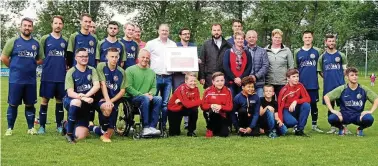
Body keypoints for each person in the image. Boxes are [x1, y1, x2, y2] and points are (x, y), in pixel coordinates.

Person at [2, 17, 44, 136]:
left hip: (30, 80)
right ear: (20, 27)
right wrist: (14, 67)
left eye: (29, 26)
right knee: (13, 104)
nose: (27, 28)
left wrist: (31, 64)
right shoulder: (13, 41)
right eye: (25, 25)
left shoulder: (36, 43)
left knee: (30, 104)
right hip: (16, 80)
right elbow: (4, 58)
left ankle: (31, 128)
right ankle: (10, 128)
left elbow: (41, 59)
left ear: (32, 28)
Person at [62, 48, 100, 143]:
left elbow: (97, 86)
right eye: (81, 56)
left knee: (81, 135)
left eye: (86, 56)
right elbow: (70, 92)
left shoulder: (92, 70)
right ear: (76, 58)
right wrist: (83, 97)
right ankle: (69, 134)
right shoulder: (71, 72)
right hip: (71, 101)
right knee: (76, 102)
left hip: (85, 104)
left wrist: (86, 96)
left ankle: (66, 124)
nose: (84, 58)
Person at [325, 67, 378, 136]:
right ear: (347, 77)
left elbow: (376, 99)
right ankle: (342, 128)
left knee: (369, 119)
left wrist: (370, 111)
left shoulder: (363, 89)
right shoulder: (342, 88)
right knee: (332, 118)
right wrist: (332, 110)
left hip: (358, 115)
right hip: (344, 115)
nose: (355, 77)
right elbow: (326, 97)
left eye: (356, 75)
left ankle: (360, 129)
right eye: (352, 75)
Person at [37, 15, 68, 134]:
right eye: (56, 23)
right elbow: (40, 56)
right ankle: (42, 126)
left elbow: (67, 59)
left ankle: (59, 125)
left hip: (61, 76)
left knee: (59, 101)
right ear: (52, 25)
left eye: (60, 23)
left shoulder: (65, 40)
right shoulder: (45, 39)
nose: (58, 25)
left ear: (62, 25)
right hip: (47, 76)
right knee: (44, 101)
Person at [144, 23, 177, 130]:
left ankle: (163, 125)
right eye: (162, 30)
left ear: (169, 32)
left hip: (168, 77)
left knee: (165, 104)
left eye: (166, 30)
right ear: (158, 31)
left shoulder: (173, 44)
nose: (164, 32)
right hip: (155, 77)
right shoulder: (151, 43)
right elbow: (144, 57)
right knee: (152, 101)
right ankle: (149, 125)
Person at [90, 47, 126, 142]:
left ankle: (94, 128)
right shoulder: (101, 66)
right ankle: (103, 131)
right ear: (107, 57)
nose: (114, 59)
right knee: (107, 108)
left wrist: (111, 101)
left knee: (110, 131)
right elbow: (103, 85)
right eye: (112, 57)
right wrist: (107, 100)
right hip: (102, 98)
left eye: (116, 57)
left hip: (114, 100)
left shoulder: (121, 72)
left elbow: (122, 91)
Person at [125, 49, 163, 136]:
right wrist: (142, 95)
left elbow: (154, 87)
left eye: (147, 58)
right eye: (143, 57)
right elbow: (128, 87)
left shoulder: (152, 72)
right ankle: (145, 127)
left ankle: (152, 127)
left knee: (159, 98)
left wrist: (151, 94)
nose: (145, 59)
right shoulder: (130, 70)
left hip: (147, 97)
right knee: (145, 98)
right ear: (138, 58)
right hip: (133, 98)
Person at [317, 34, 348, 134]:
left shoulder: (341, 55)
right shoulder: (322, 57)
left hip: (340, 85)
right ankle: (333, 126)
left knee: (343, 105)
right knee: (331, 106)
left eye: (333, 41)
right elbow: (321, 72)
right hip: (328, 86)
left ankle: (343, 126)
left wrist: (338, 77)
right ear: (326, 42)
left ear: (335, 42)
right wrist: (328, 78)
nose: (331, 43)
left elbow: (345, 70)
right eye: (329, 41)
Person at [294, 30, 323, 133]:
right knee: (298, 105)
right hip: (300, 84)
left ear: (312, 38)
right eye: (305, 37)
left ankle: (314, 125)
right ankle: (296, 124)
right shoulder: (297, 52)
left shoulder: (317, 51)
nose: (307, 39)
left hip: (313, 84)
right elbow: (295, 68)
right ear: (302, 38)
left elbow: (320, 67)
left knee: (313, 105)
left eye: (309, 37)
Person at [277, 69, 311, 136]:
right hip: (286, 110)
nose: (296, 79)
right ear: (288, 78)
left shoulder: (300, 86)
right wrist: (280, 120)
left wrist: (296, 101)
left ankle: (299, 130)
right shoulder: (284, 90)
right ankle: (282, 126)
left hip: (295, 109)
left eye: (297, 76)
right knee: (292, 122)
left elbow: (308, 99)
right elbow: (280, 107)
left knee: (306, 105)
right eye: (293, 77)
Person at [175, 27, 196, 129]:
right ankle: (177, 121)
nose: (187, 35)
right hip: (178, 76)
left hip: (189, 75)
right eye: (184, 34)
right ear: (180, 36)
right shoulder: (175, 46)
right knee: (179, 97)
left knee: (189, 96)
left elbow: (194, 60)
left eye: (188, 34)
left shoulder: (193, 46)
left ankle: (188, 123)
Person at [167, 72, 200, 137]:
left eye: (194, 81)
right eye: (191, 81)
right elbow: (188, 104)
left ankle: (191, 131)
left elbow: (197, 103)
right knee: (174, 133)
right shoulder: (181, 88)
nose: (193, 83)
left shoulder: (196, 89)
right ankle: (174, 129)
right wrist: (188, 102)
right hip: (174, 110)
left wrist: (184, 101)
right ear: (186, 81)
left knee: (194, 110)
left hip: (184, 108)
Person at [199, 23, 231, 89]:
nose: (216, 32)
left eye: (218, 30)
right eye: (214, 30)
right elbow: (202, 62)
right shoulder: (206, 44)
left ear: (221, 31)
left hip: (224, 77)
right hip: (210, 77)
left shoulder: (228, 45)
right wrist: (201, 77)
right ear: (211, 31)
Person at [201, 72, 233, 137]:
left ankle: (219, 128)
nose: (220, 83)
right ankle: (209, 129)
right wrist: (211, 105)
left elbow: (230, 107)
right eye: (217, 81)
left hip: (223, 115)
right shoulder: (208, 91)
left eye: (222, 80)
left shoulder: (228, 91)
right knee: (214, 110)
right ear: (213, 82)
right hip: (211, 114)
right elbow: (203, 106)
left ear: (224, 81)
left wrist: (220, 107)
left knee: (224, 134)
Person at [265, 29, 294, 96]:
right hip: (269, 82)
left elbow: (291, 67)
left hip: (282, 82)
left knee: (281, 103)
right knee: (270, 103)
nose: (277, 39)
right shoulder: (265, 50)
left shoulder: (287, 50)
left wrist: (289, 80)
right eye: (276, 37)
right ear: (272, 38)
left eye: (279, 37)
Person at [223, 31, 252, 97]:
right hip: (230, 82)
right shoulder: (228, 52)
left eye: (241, 39)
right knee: (231, 101)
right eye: (238, 39)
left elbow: (249, 67)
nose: (240, 40)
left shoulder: (247, 53)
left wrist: (240, 79)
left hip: (243, 83)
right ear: (234, 40)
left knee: (242, 102)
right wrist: (235, 78)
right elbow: (226, 67)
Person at [245, 30, 269, 98]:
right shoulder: (242, 50)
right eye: (249, 37)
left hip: (259, 83)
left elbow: (265, 66)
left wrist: (256, 76)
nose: (251, 39)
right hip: (246, 83)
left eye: (253, 37)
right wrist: (247, 77)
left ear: (256, 38)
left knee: (259, 103)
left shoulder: (263, 51)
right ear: (246, 39)